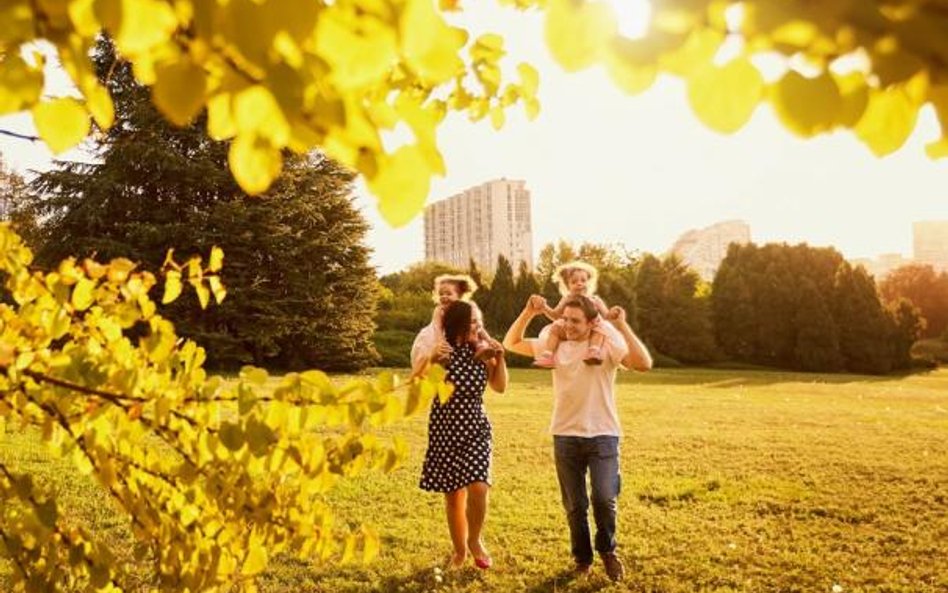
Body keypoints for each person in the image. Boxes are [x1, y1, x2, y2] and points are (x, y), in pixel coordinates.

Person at [503, 294, 652, 581]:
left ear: (592, 321)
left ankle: (607, 550)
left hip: (603, 434)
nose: (568, 326)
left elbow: (643, 363)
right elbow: (511, 343)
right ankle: (582, 559)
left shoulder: (607, 344)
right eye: (565, 319)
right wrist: (527, 312)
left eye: (575, 321)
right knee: (575, 505)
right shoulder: (554, 345)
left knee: (604, 498)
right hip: (565, 435)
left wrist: (622, 326)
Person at [414, 300, 508, 570]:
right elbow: (422, 388)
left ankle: (475, 541)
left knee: (478, 486)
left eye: (479, 321)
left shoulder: (481, 350)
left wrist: (499, 358)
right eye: (472, 322)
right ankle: (459, 552)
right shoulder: (442, 351)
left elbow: (499, 387)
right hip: (445, 431)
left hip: (476, 427)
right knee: (454, 496)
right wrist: (432, 360)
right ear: (456, 324)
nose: (478, 327)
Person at [410, 274, 500, 376]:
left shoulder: (470, 308)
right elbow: (437, 326)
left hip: (468, 343)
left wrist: (489, 340)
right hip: (441, 337)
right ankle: (442, 358)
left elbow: (479, 327)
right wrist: (440, 341)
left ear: (460, 296)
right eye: (441, 294)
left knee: (476, 337)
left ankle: (481, 350)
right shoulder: (439, 310)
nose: (444, 297)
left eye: (448, 294)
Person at [534, 262, 614, 368]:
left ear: (588, 282)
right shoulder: (566, 299)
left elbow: (606, 316)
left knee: (601, 327)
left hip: (592, 329)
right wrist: (544, 307)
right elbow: (555, 315)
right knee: (555, 327)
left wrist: (613, 314)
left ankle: (594, 351)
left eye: (583, 280)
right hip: (571, 330)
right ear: (568, 286)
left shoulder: (595, 300)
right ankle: (548, 355)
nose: (579, 283)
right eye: (574, 281)